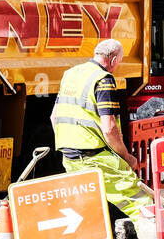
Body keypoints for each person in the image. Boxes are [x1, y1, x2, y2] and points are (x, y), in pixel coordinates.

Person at [51, 38, 152, 222]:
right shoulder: (103, 79)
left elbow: (54, 117)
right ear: (113, 60)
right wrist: (126, 157)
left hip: (70, 157)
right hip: (96, 158)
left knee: (83, 211)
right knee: (140, 203)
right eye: (118, 63)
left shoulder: (70, 74)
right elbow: (109, 128)